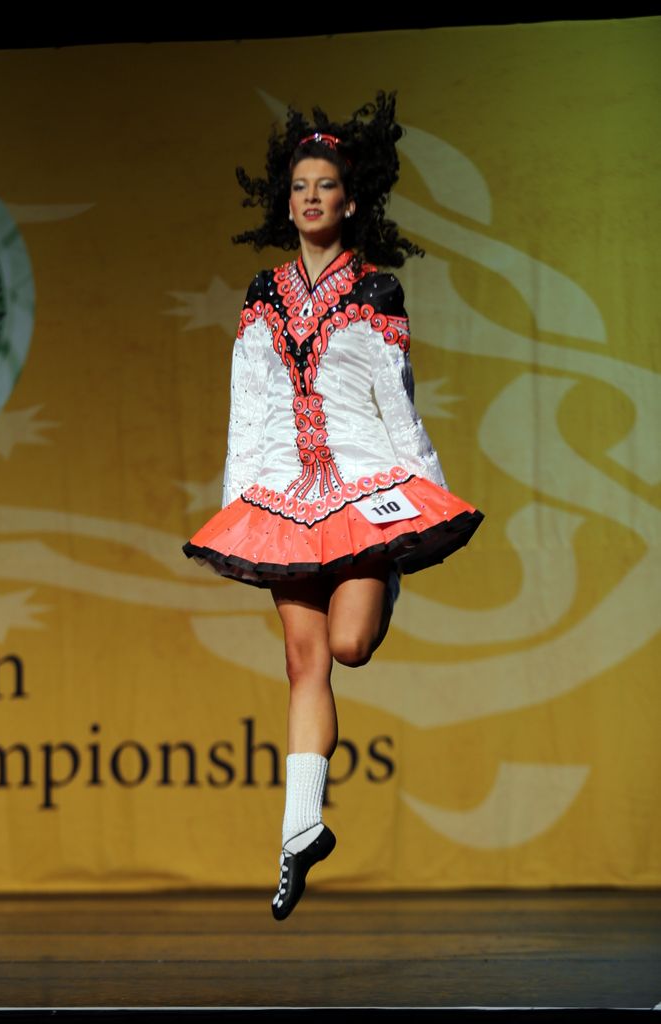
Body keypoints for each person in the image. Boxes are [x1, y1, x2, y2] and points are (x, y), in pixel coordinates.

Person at [183, 92, 483, 920]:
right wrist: (239, 505)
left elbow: (397, 404)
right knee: (302, 662)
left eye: (324, 186)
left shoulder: (376, 290)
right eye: (299, 187)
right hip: (285, 497)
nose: (310, 198)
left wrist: (420, 499)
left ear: (350, 202)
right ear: (285, 204)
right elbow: (248, 403)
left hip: (363, 488)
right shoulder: (263, 292)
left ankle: (386, 574)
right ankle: (299, 831)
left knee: (349, 646)